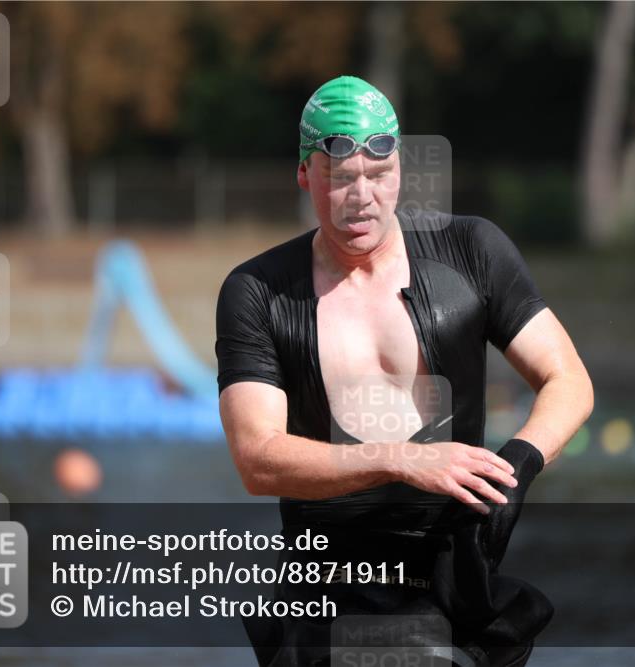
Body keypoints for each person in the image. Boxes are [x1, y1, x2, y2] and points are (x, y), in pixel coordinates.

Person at [216, 75, 593, 667]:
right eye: (341, 179)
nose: (362, 196)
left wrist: (520, 464)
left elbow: (567, 378)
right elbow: (256, 458)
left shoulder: (471, 250)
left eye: (378, 176)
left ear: (400, 171)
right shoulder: (258, 291)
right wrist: (402, 458)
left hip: (456, 572)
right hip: (329, 578)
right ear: (303, 176)